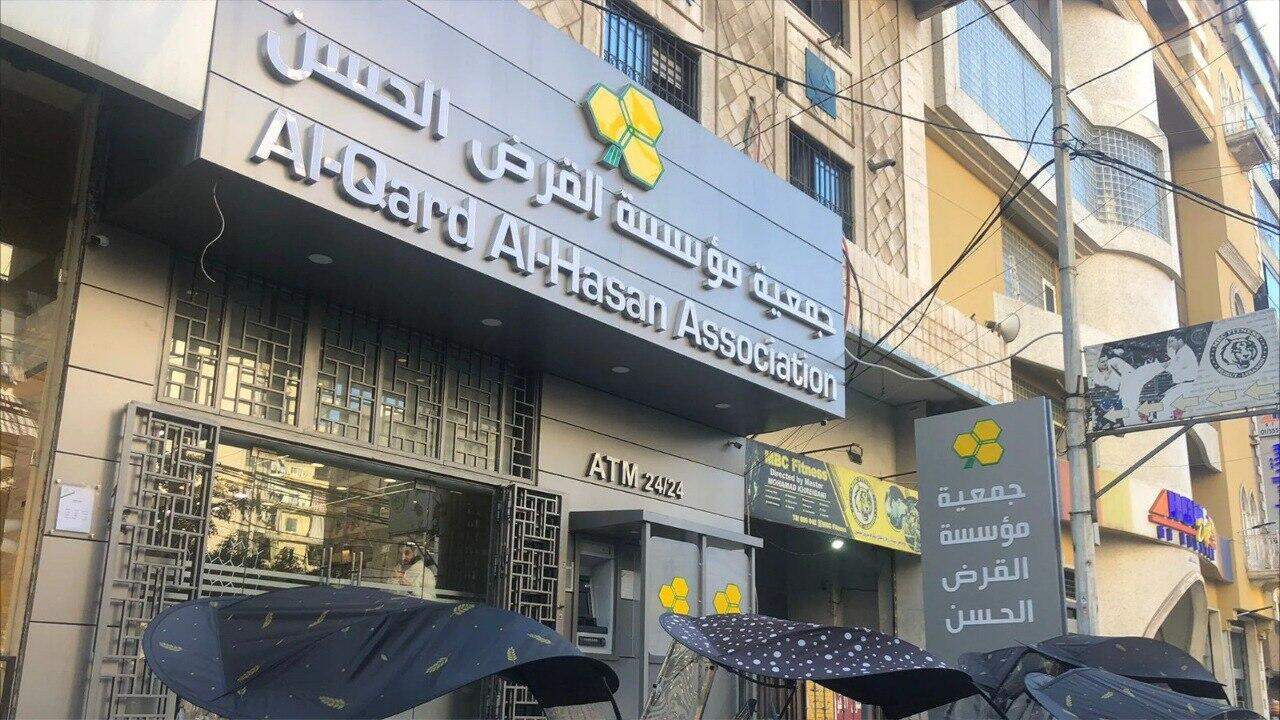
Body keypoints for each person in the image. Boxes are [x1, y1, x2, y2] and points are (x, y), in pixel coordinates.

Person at [1093, 349, 1165, 427]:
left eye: (1105, 361)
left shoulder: (1114, 362)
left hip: (1132, 380)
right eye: (1102, 362)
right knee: (1129, 409)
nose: (1104, 363)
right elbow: (1112, 385)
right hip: (1127, 388)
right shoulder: (1098, 376)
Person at [1157, 334, 1199, 421]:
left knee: (1164, 406)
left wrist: (1165, 366)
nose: (1170, 344)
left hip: (1187, 386)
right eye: (1169, 342)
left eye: (1171, 341)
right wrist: (1168, 345)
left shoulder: (1185, 352)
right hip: (1182, 386)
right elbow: (1171, 355)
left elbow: (1174, 369)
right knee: (1165, 407)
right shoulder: (1179, 351)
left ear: (1180, 340)